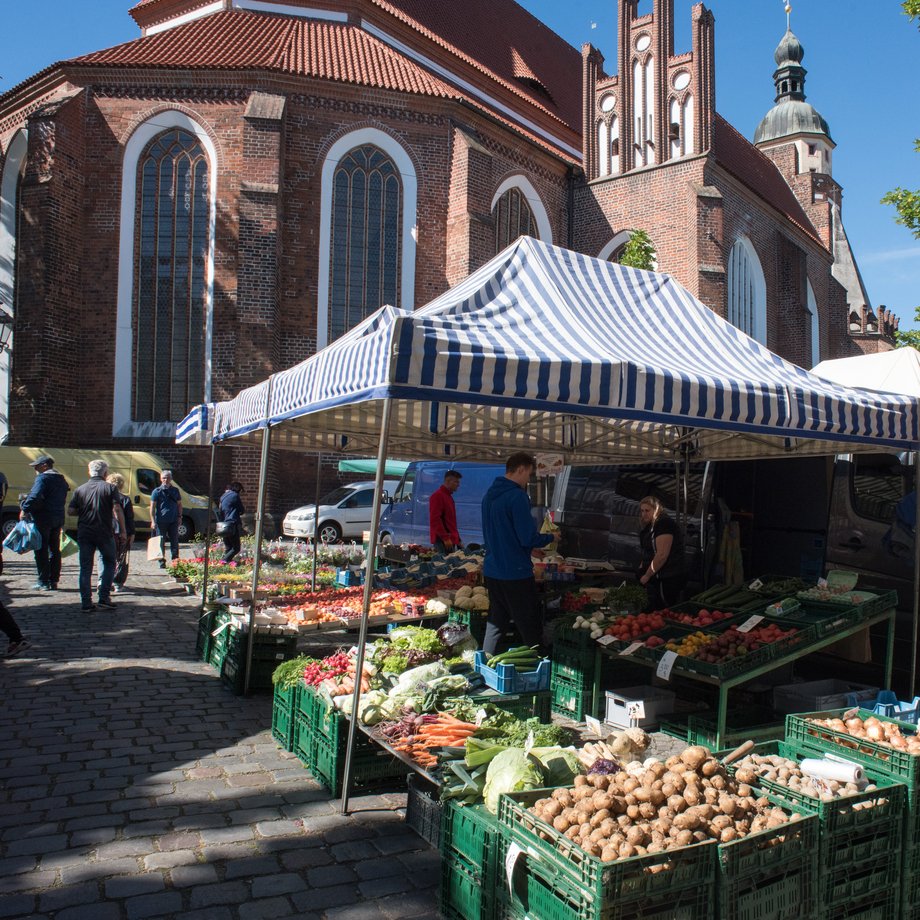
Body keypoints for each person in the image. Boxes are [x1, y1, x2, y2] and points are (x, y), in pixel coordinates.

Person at [480, 452, 555, 655]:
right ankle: (540, 663)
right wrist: (551, 538)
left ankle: (486, 661)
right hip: (515, 572)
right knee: (529, 622)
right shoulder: (517, 496)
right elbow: (527, 536)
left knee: (497, 622)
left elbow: (502, 532)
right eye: (529, 474)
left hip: (493, 570)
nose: (528, 480)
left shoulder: (489, 495)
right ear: (521, 469)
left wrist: (529, 548)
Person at [68, 460, 125, 613]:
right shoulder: (110, 488)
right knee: (109, 562)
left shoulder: (80, 490)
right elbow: (117, 509)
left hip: (85, 531)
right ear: (105, 474)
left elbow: (71, 511)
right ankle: (104, 597)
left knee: (85, 568)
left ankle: (86, 602)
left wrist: (86, 511)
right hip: (104, 531)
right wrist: (123, 531)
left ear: (89, 472)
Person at [19, 455, 69, 591]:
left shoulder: (43, 478)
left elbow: (35, 496)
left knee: (41, 549)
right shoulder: (61, 478)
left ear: (45, 466)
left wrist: (24, 508)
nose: (35, 468)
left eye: (37, 466)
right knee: (54, 550)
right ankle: (54, 580)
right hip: (58, 517)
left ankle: (43, 581)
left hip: (43, 518)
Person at [637, 495, 686, 610]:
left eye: (647, 510)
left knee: (664, 609)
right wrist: (641, 568)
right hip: (658, 576)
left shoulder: (664, 524)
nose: (644, 514)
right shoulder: (651, 526)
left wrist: (647, 575)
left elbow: (662, 554)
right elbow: (648, 551)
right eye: (642, 511)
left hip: (667, 576)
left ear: (657, 509)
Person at [107, 472, 135, 593]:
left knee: (106, 557)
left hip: (108, 531)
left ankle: (105, 581)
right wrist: (131, 533)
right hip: (121, 532)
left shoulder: (104, 497)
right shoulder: (125, 499)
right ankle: (118, 582)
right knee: (121, 558)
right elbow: (129, 518)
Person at [150, 470, 182, 568]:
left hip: (173, 520)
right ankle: (161, 561)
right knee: (161, 541)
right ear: (160, 479)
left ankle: (175, 560)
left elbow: (179, 504)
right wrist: (153, 521)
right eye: (164, 477)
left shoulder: (175, 491)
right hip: (161, 521)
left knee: (174, 541)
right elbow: (152, 507)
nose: (166, 480)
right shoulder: (157, 491)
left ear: (171, 479)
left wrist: (180, 516)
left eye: (168, 477)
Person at [429, 469, 461, 552]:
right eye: (456, 482)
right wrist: (445, 538)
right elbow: (435, 519)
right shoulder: (438, 496)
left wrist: (458, 539)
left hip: (448, 539)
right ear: (448, 481)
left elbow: (451, 522)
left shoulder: (448, 496)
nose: (458, 485)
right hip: (443, 540)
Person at [218, 481, 245, 564]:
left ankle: (227, 564)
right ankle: (224, 561)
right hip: (232, 524)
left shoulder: (223, 496)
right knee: (236, 548)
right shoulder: (235, 496)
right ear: (239, 489)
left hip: (223, 525)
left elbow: (220, 510)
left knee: (228, 547)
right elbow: (241, 510)